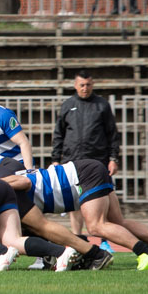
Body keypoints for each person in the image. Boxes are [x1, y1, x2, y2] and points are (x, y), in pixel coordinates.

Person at [20, 158, 148, 270]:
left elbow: (25, 182)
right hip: (88, 170)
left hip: (83, 174)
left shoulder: (9, 186)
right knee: (118, 222)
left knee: (96, 226)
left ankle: (145, 253)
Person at [52, 69, 119, 241]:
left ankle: (105, 241)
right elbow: (59, 134)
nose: (85, 88)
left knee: (102, 199)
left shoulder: (102, 105)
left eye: (88, 85)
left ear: (92, 84)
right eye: (82, 85)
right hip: (72, 160)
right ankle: (78, 239)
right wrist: (55, 159)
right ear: (75, 85)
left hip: (97, 161)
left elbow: (112, 134)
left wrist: (113, 159)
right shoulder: (67, 105)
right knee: (74, 200)